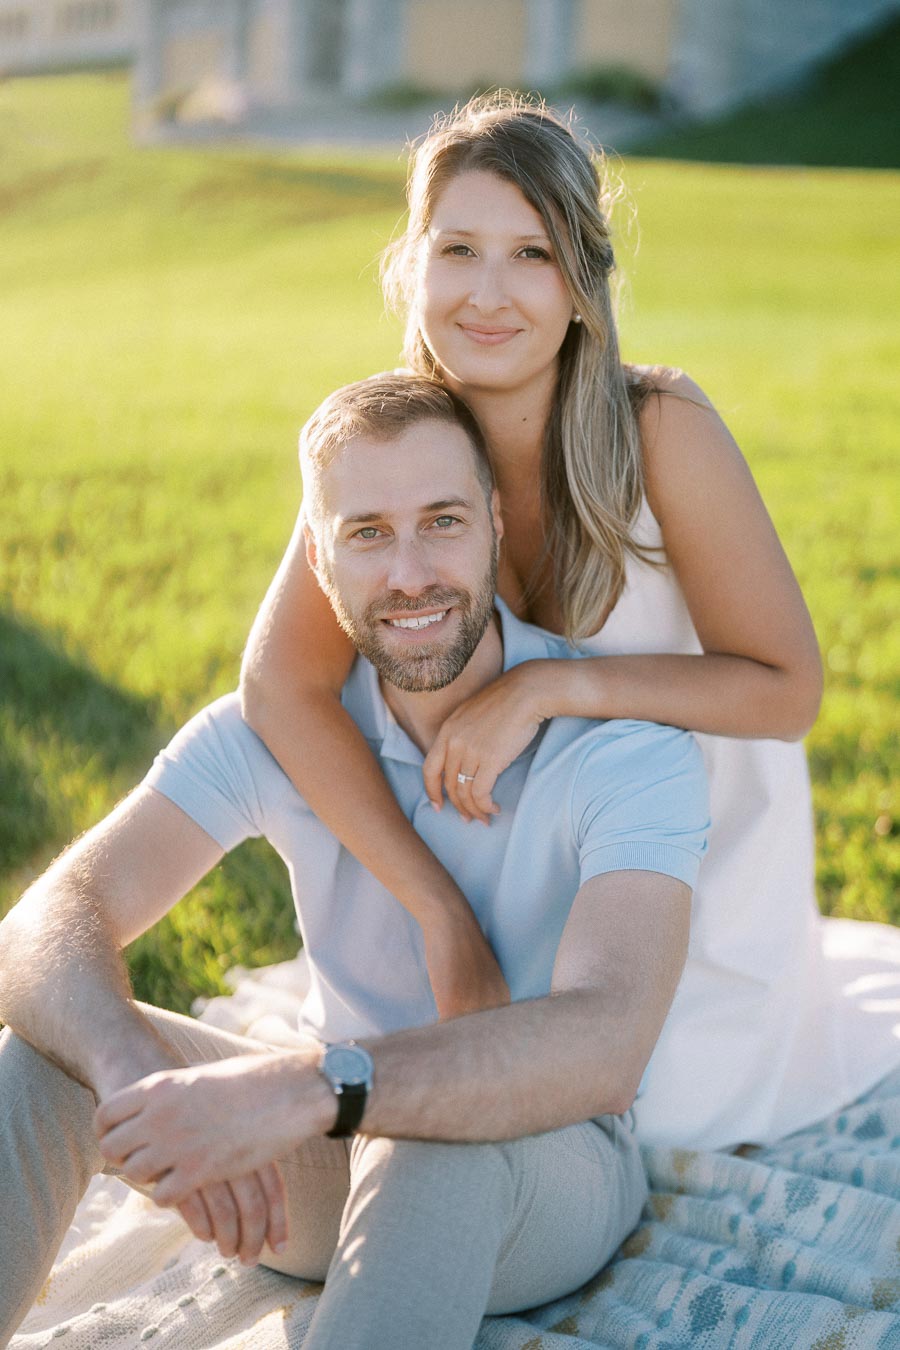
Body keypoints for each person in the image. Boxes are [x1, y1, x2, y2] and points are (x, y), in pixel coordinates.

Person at [240, 93, 900, 1151]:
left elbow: (788, 690)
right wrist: (437, 912)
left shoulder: (660, 429)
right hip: (501, 871)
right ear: (410, 268)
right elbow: (279, 685)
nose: (490, 294)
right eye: (458, 248)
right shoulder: (396, 438)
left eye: (533, 254)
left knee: (614, 1116)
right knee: (432, 1089)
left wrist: (549, 686)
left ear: (584, 283)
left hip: (683, 883)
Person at [0, 375, 710, 1349]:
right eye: (367, 533)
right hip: (319, 1161)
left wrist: (305, 1085)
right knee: (49, 1049)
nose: (410, 572)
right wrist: (131, 1075)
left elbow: (607, 1041)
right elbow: (39, 927)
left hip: (544, 1174)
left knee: (434, 1132)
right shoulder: (282, 734)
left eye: (442, 522)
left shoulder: (623, 747)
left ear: (497, 523)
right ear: (319, 559)